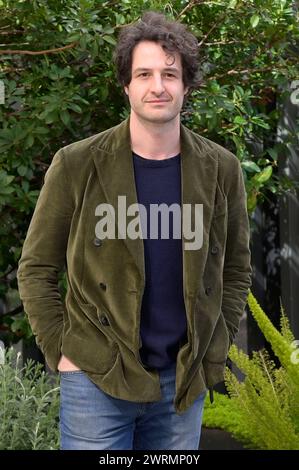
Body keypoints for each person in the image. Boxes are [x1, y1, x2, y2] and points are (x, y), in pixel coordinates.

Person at [17, 11, 252, 450]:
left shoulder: (221, 168)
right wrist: (60, 349)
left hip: (181, 382)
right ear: (126, 84)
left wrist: (214, 345)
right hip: (96, 377)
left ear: (186, 85)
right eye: (143, 73)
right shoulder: (78, 163)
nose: (157, 86)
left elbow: (235, 269)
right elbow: (36, 266)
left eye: (169, 73)